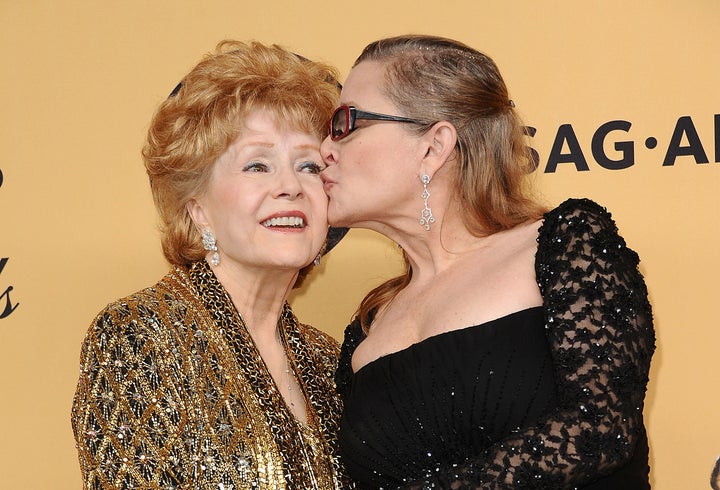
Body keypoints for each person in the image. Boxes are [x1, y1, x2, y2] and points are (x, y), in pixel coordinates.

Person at [320, 34, 655, 489]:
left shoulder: (566, 244)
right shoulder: (367, 326)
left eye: (344, 122)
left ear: (434, 146)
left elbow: (601, 429)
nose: (325, 147)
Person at [71, 40, 349, 489]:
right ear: (197, 209)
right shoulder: (140, 334)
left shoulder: (326, 359)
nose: (290, 186)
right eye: (257, 165)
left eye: (309, 166)